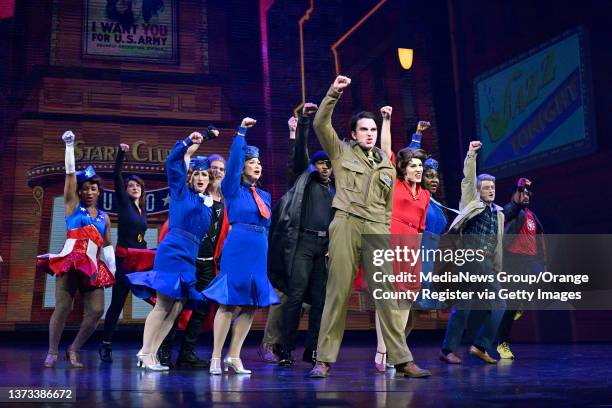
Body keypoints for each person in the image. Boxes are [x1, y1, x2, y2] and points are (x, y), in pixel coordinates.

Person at [308, 76, 425, 379]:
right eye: (364, 129)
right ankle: (323, 358)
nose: (370, 134)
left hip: (375, 229)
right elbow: (320, 124)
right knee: (337, 292)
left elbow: (388, 208)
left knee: (387, 293)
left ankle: (401, 359)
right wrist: (333, 92)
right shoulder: (340, 151)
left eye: (373, 129)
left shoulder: (386, 165)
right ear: (353, 133)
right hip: (346, 222)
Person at [126, 131, 214, 370]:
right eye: (197, 174)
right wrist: (187, 143)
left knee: (175, 308)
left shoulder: (207, 204)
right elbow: (172, 163)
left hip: (189, 257)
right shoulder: (180, 192)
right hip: (173, 252)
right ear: (190, 177)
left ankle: (151, 353)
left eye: (205, 175)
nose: (201, 178)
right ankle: (145, 351)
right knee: (164, 304)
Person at [203, 118, 280, 375]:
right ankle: (215, 356)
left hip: (259, 249)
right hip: (238, 248)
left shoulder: (265, 195)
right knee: (228, 303)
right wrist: (241, 134)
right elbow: (234, 161)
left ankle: (233, 356)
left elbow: (268, 225)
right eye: (252, 162)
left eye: (259, 163)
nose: (257, 166)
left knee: (250, 304)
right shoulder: (232, 188)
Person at [38, 131, 116, 368]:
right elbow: (70, 174)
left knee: (96, 311)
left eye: (94, 188)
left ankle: (73, 349)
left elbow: (108, 244)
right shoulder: (73, 207)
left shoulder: (104, 217)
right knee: (63, 307)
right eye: (86, 189)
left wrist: (112, 269)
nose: (89, 192)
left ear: (99, 192)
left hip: (92, 268)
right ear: (80, 192)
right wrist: (69, 146)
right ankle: (52, 351)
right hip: (70, 262)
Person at [269, 103, 335, 367]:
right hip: (303, 244)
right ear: (313, 166)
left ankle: (313, 350)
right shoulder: (304, 181)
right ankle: (285, 349)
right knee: (295, 297)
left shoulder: (334, 190)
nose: (325, 167)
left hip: (323, 246)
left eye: (328, 164)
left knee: (320, 300)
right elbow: (298, 155)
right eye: (320, 163)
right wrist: (305, 121)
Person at [371, 108, 431, 376]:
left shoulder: (426, 195)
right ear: (403, 169)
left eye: (421, 166)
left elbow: (420, 228)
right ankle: (382, 350)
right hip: (391, 242)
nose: (418, 170)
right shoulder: (395, 184)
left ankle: (399, 352)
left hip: (411, 249)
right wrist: (386, 121)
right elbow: (385, 151)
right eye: (414, 166)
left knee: (406, 298)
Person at [439, 141, 506, 365]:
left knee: (500, 305)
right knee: (464, 306)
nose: (491, 190)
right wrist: (471, 156)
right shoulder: (471, 204)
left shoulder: (499, 213)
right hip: (469, 260)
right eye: (486, 187)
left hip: (487, 264)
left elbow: (498, 243)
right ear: (479, 191)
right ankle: (448, 349)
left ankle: (480, 346)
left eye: (492, 187)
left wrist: (498, 268)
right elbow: (468, 181)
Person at [100, 143, 153, 363]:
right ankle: (106, 344)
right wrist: (121, 153)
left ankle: (153, 347)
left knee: (158, 301)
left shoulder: (143, 210)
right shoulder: (124, 204)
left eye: (137, 185)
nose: (133, 188)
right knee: (117, 304)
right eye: (130, 185)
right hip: (125, 262)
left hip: (140, 261)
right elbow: (115, 174)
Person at [497, 177, 546, 359]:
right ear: (515, 194)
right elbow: (510, 209)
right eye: (522, 192)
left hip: (530, 260)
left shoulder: (533, 216)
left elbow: (541, 241)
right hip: (513, 259)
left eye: (527, 193)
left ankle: (521, 303)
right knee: (510, 306)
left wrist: (544, 263)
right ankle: (503, 343)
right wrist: (519, 188)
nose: (526, 195)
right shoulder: (511, 210)